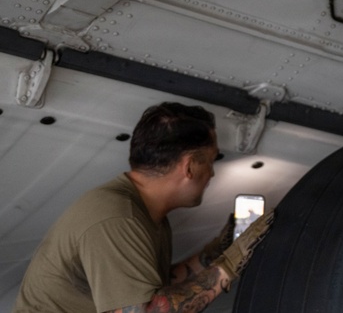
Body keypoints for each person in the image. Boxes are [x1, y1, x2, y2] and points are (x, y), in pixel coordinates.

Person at [14, 102, 273, 313]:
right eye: (210, 161)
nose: (212, 174)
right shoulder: (118, 218)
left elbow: (147, 290)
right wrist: (229, 264)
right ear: (190, 166)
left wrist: (215, 252)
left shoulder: (147, 214)